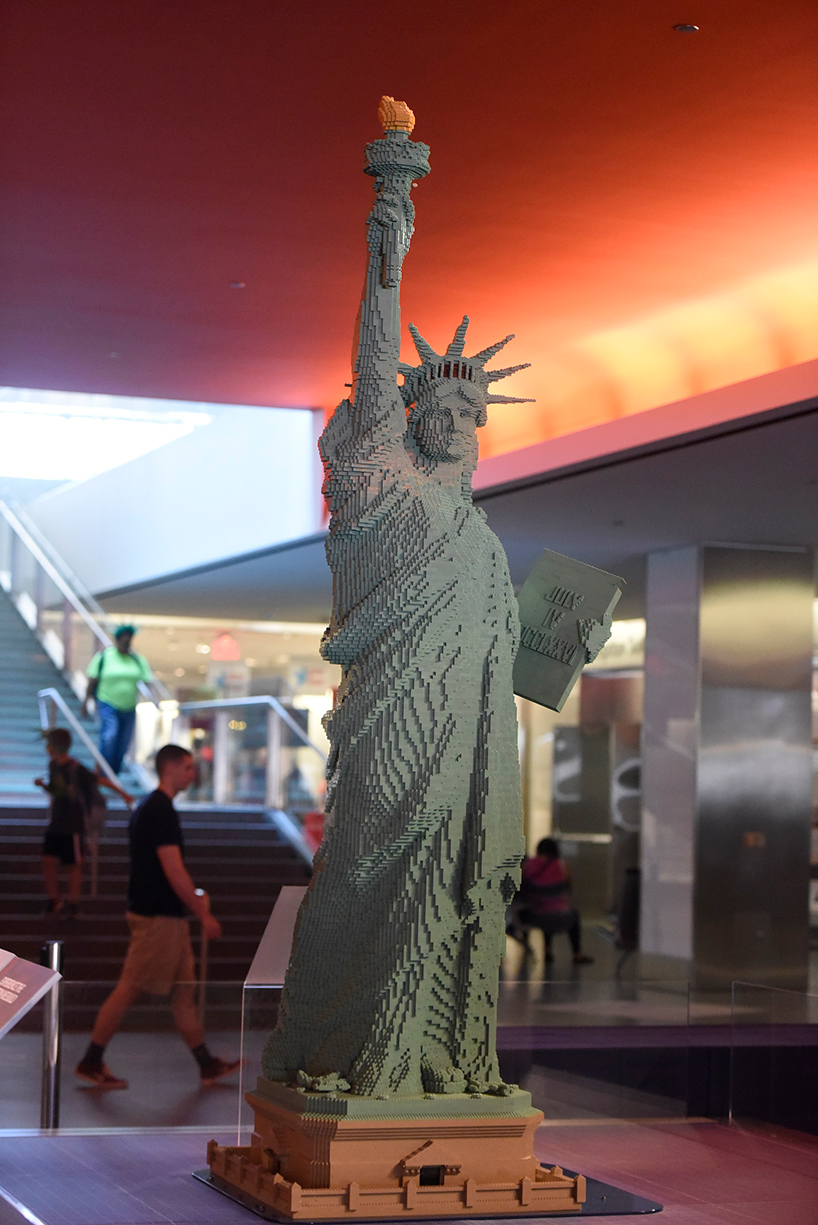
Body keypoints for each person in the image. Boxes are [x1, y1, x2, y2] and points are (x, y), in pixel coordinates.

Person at [262, 100, 531, 1097]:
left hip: (464, 738)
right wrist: (393, 207)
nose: (459, 420)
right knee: (375, 865)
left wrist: (545, 642)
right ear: (407, 415)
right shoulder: (378, 473)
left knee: (453, 889)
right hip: (393, 722)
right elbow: (376, 350)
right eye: (444, 405)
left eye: (474, 410)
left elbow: (499, 643)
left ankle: (428, 1057)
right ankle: (340, 1046)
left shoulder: (479, 533)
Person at [74, 744, 240, 1089]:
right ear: (171, 769)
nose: (193, 775)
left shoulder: (149, 807)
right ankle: (90, 1060)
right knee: (130, 987)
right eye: (189, 768)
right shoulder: (160, 810)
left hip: (166, 917)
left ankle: (206, 1063)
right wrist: (203, 914)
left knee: (183, 993)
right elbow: (174, 870)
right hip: (158, 918)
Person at [35, 727, 133, 918]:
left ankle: (73, 902)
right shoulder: (53, 766)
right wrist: (44, 786)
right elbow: (58, 791)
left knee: (73, 864)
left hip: (73, 824)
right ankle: (54, 899)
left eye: (48, 744)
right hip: (56, 821)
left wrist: (123, 794)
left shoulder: (75, 768)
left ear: (54, 746)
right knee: (48, 860)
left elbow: (99, 780)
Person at [82, 625, 155, 774]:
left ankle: (114, 772)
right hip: (107, 702)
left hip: (129, 706)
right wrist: (86, 701)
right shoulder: (104, 657)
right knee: (110, 736)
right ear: (117, 640)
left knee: (123, 742)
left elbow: (147, 681)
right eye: (123, 639)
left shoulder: (137, 659)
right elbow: (92, 679)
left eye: (129, 640)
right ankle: (103, 770)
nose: (126, 643)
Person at [520, 837, 593, 966]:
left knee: (541, 911)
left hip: (534, 915)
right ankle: (577, 953)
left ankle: (539, 950)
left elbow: (522, 889)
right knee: (570, 914)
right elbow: (569, 890)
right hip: (559, 916)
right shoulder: (563, 865)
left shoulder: (528, 865)